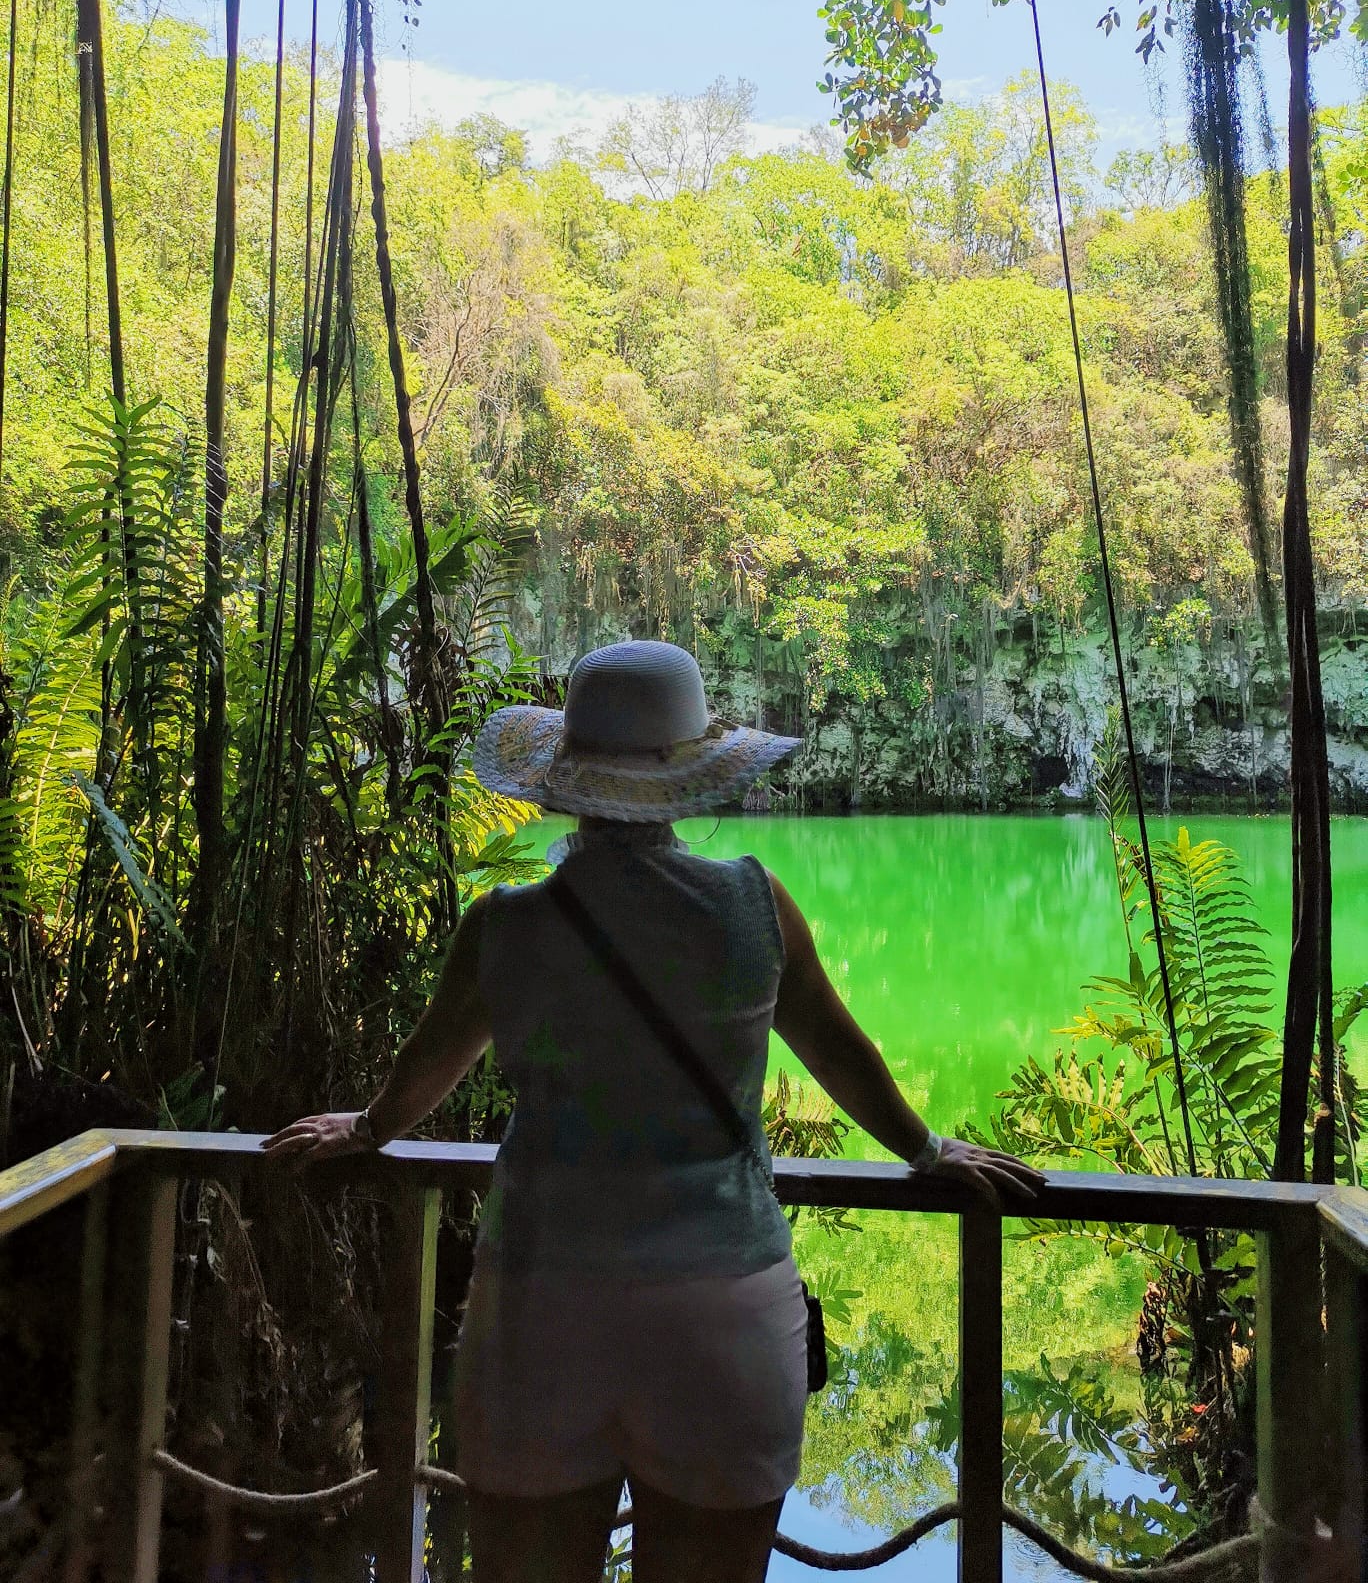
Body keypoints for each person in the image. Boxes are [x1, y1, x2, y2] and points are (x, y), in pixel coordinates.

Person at [265, 641, 1044, 1583]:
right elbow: (840, 1052)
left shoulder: (506, 927)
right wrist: (928, 1149)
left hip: (541, 1314)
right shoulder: (754, 907)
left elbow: (420, 1072)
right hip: (725, 1315)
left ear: (566, 782)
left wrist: (364, 1130)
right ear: (693, 779)